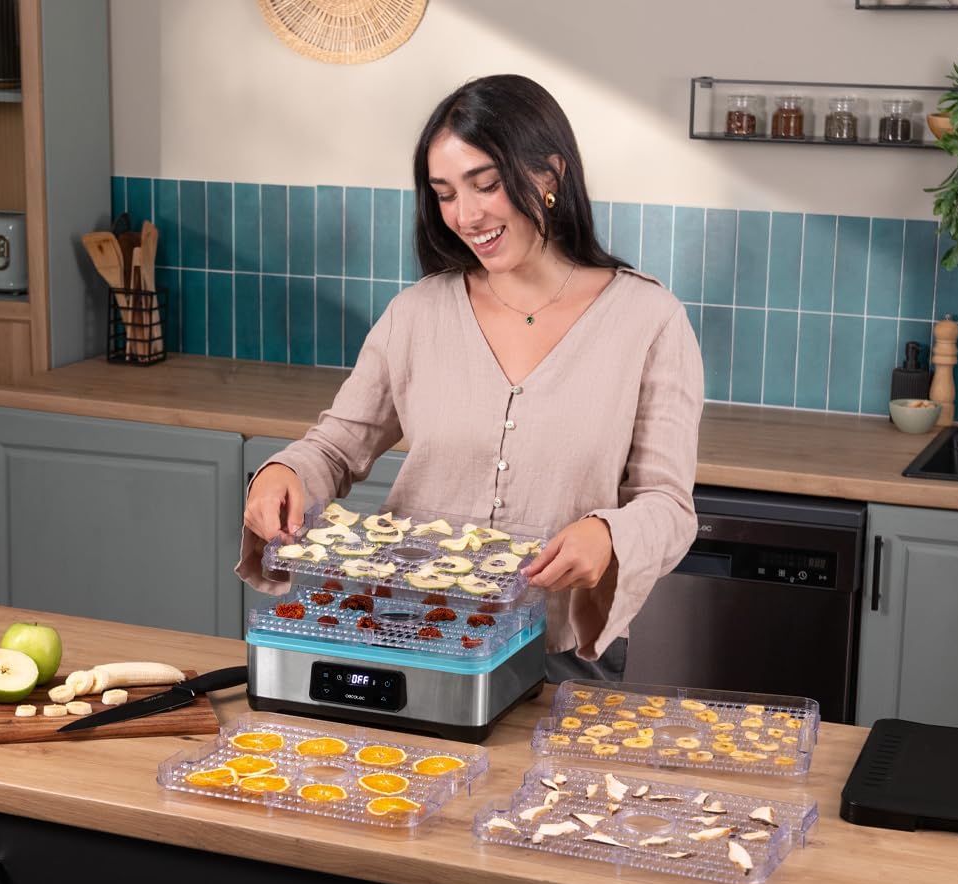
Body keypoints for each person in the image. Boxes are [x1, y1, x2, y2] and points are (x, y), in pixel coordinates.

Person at [237, 74, 704, 683]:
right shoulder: (418, 314)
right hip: (403, 633)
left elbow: (668, 505)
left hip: (554, 656)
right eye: (445, 193)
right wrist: (284, 470)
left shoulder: (649, 319)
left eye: (486, 184)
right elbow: (335, 448)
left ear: (549, 175)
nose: (466, 215)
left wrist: (609, 533)